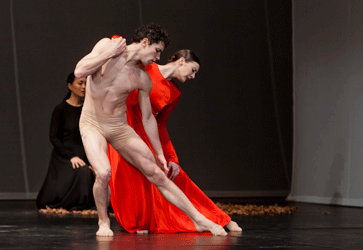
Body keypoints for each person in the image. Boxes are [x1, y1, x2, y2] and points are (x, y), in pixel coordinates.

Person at [74, 23, 227, 237]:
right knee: (103, 172)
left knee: (157, 174)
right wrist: (109, 53)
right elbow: (80, 71)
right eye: (157, 50)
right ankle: (103, 221)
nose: (157, 57)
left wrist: (159, 153)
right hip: (92, 122)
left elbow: (148, 119)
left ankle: (200, 220)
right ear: (145, 42)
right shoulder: (107, 46)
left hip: (118, 127)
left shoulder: (142, 78)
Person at [108, 50, 242, 233]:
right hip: (124, 126)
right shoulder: (147, 66)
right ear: (181, 61)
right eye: (192, 70)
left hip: (147, 134)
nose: (193, 76)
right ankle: (139, 222)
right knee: (130, 178)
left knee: (174, 176)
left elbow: (160, 125)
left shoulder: (174, 92)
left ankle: (219, 218)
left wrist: (172, 158)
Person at [36, 73, 95, 211]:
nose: (84, 87)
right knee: (83, 172)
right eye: (80, 83)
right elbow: (54, 137)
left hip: (85, 153)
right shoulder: (61, 110)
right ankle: (78, 204)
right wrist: (71, 156)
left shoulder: (88, 110)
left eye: (86, 83)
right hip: (65, 156)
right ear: (70, 86)